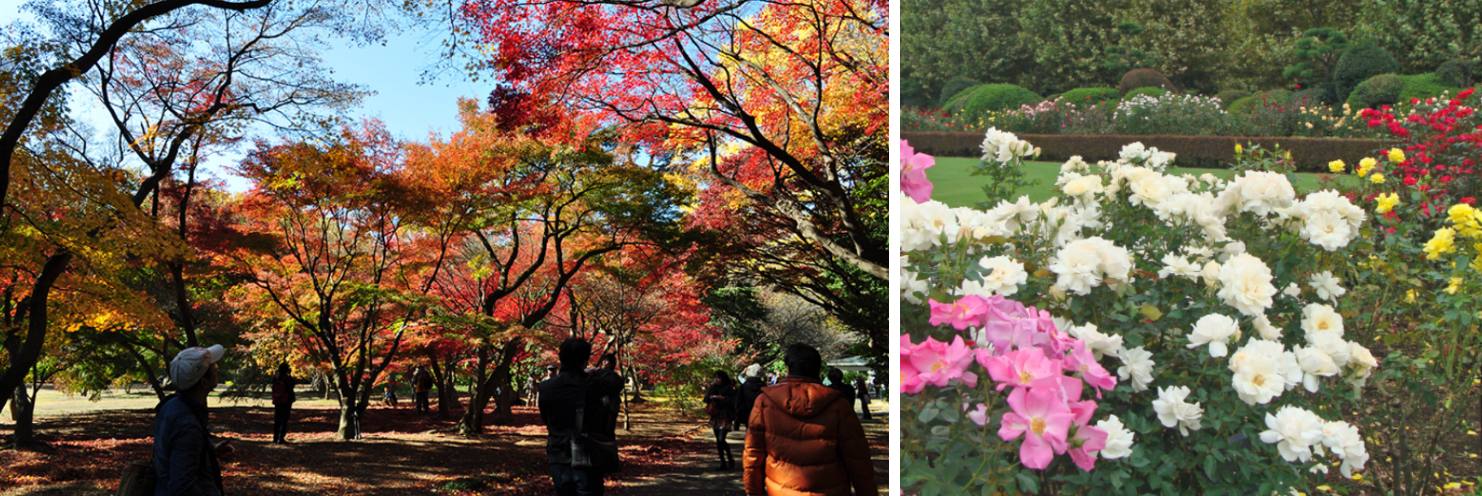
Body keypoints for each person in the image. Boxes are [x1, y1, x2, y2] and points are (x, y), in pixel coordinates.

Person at [743, 344, 876, 495]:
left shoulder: (765, 401)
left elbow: (753, 454)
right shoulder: (838, 404)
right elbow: (858, 457)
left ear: (788, 368)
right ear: (818, 369)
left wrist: (753, 491)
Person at [539, 338, 624, 495]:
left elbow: (545, 417)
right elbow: (617, 382)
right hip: (588, 453)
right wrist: (596, 371)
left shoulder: (546, 387)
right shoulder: (593, 384)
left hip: (558, 452)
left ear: (561, 358)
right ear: (585, 360)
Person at [153, 345, 230, 495]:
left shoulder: (171, 406)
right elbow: (182, 486)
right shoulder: (187, 425)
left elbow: (173, 453)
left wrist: (207, 452)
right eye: (212, 366)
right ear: (204, 382)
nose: (217, 367)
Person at [704, 371, 738, 470]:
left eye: (718, 378)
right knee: (718, 441)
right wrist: (711, 396)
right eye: (715, 377)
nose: (716, 379)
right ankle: (723, 462)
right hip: (715, 415)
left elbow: (734, 402)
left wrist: (723, 398)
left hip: (725, 416)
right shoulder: (713, 387)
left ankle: (730, 459)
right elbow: (705, 399)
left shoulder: (729, 388)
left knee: (721, 439)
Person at [587, 353, 623, 438]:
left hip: (609, 407)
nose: (604, 362)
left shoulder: (614, 377)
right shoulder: (595, 373)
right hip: (597, 407)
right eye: (604, 360)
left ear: (611, 363)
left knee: (607, 429)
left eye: (606, 361)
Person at [734, 364, 765, 431]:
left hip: (746, 413)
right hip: (761, 413)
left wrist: (738, 412)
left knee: (749, 430)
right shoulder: (764, 386)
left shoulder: (744, 386)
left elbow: (738, 401)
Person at [270, 363, 296, 444]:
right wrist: (290, 374)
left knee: (277, 419)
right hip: (286, 401)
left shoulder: (276, 378)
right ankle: (281, 438)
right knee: (284, 420)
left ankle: (275, 438)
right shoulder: (288, 378)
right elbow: (292, 385)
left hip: (277, 401)